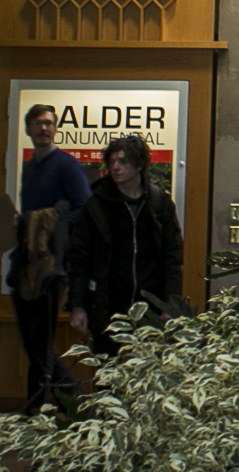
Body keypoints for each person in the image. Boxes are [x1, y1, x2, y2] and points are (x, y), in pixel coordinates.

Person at [66, 134, 183, 355]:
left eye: (123, 161)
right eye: (112, 162)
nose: (116, 167)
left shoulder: (159, 203)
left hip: (150, 306)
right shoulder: (97, 205)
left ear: (139, 164)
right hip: (107, 306)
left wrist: (170, 304)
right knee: (108, 374)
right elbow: (78, 258)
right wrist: (77, 304)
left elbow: (173, 258)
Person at [13, 103, 89, 410]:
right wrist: (23, 222)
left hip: (52, 266)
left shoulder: (67, 165)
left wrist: (49, 226)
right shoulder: (30, 166)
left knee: (40, 341)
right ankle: (74, 401)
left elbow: (83, 209)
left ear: (55, 128)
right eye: (37, 124)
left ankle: (34, 411)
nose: (44, 128)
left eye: (49, 123)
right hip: (25, 264)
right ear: (28, 129)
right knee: (33, 342)